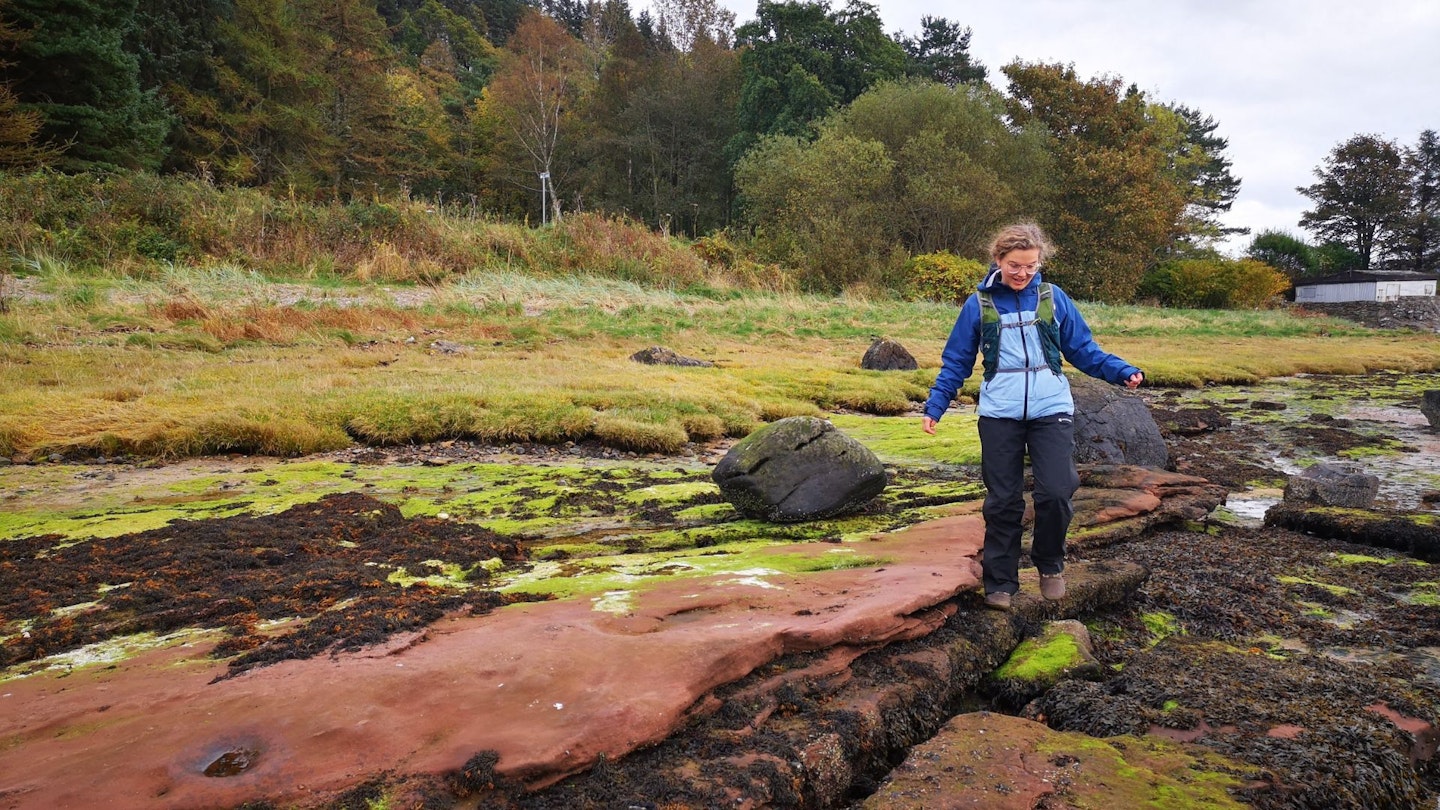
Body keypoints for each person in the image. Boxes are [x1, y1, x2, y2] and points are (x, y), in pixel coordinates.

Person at [921, 223, 1143, 611]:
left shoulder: (1054, 298)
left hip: (1050, 409)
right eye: (1014, 266)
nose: (1022, 274)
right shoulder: (979, 304)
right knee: (1004, 501)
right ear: (998, 261)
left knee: (1057, 491)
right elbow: (956, 361)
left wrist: (1122, 370)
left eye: (1030, 266)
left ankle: (1050, 564)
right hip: (999, 414)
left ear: (1040, 262)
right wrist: (936, 405)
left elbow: (1084, 350)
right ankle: (1001, 582)